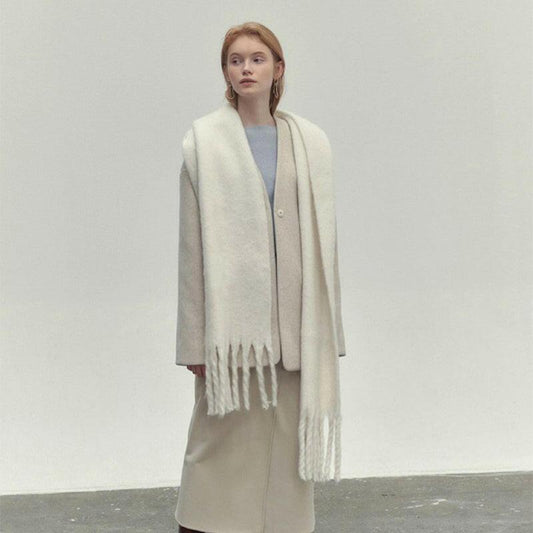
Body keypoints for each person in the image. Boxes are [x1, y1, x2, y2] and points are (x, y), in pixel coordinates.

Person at [174, 21, 346, 533]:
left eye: (257, 58)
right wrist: (194, 343)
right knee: (220, 433)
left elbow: (326, 244)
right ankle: (203, 523)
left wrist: (329, 331)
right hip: (234, 331)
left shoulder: (309, 141)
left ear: (278, 68)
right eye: (236, 60)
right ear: (226, 72)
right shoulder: (203, 143)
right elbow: (191, 250)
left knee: (287, 438)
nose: (246, 68)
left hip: (296, 324)